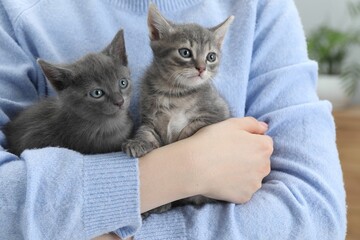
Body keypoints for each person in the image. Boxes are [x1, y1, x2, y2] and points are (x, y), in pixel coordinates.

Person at [0, 0, 346, 239]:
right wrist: (184, 168)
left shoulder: (262, 8)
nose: (199, 67)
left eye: (209, 58)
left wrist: (85, 229)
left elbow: (316, 215)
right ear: (155, 35)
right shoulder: (18, 11)